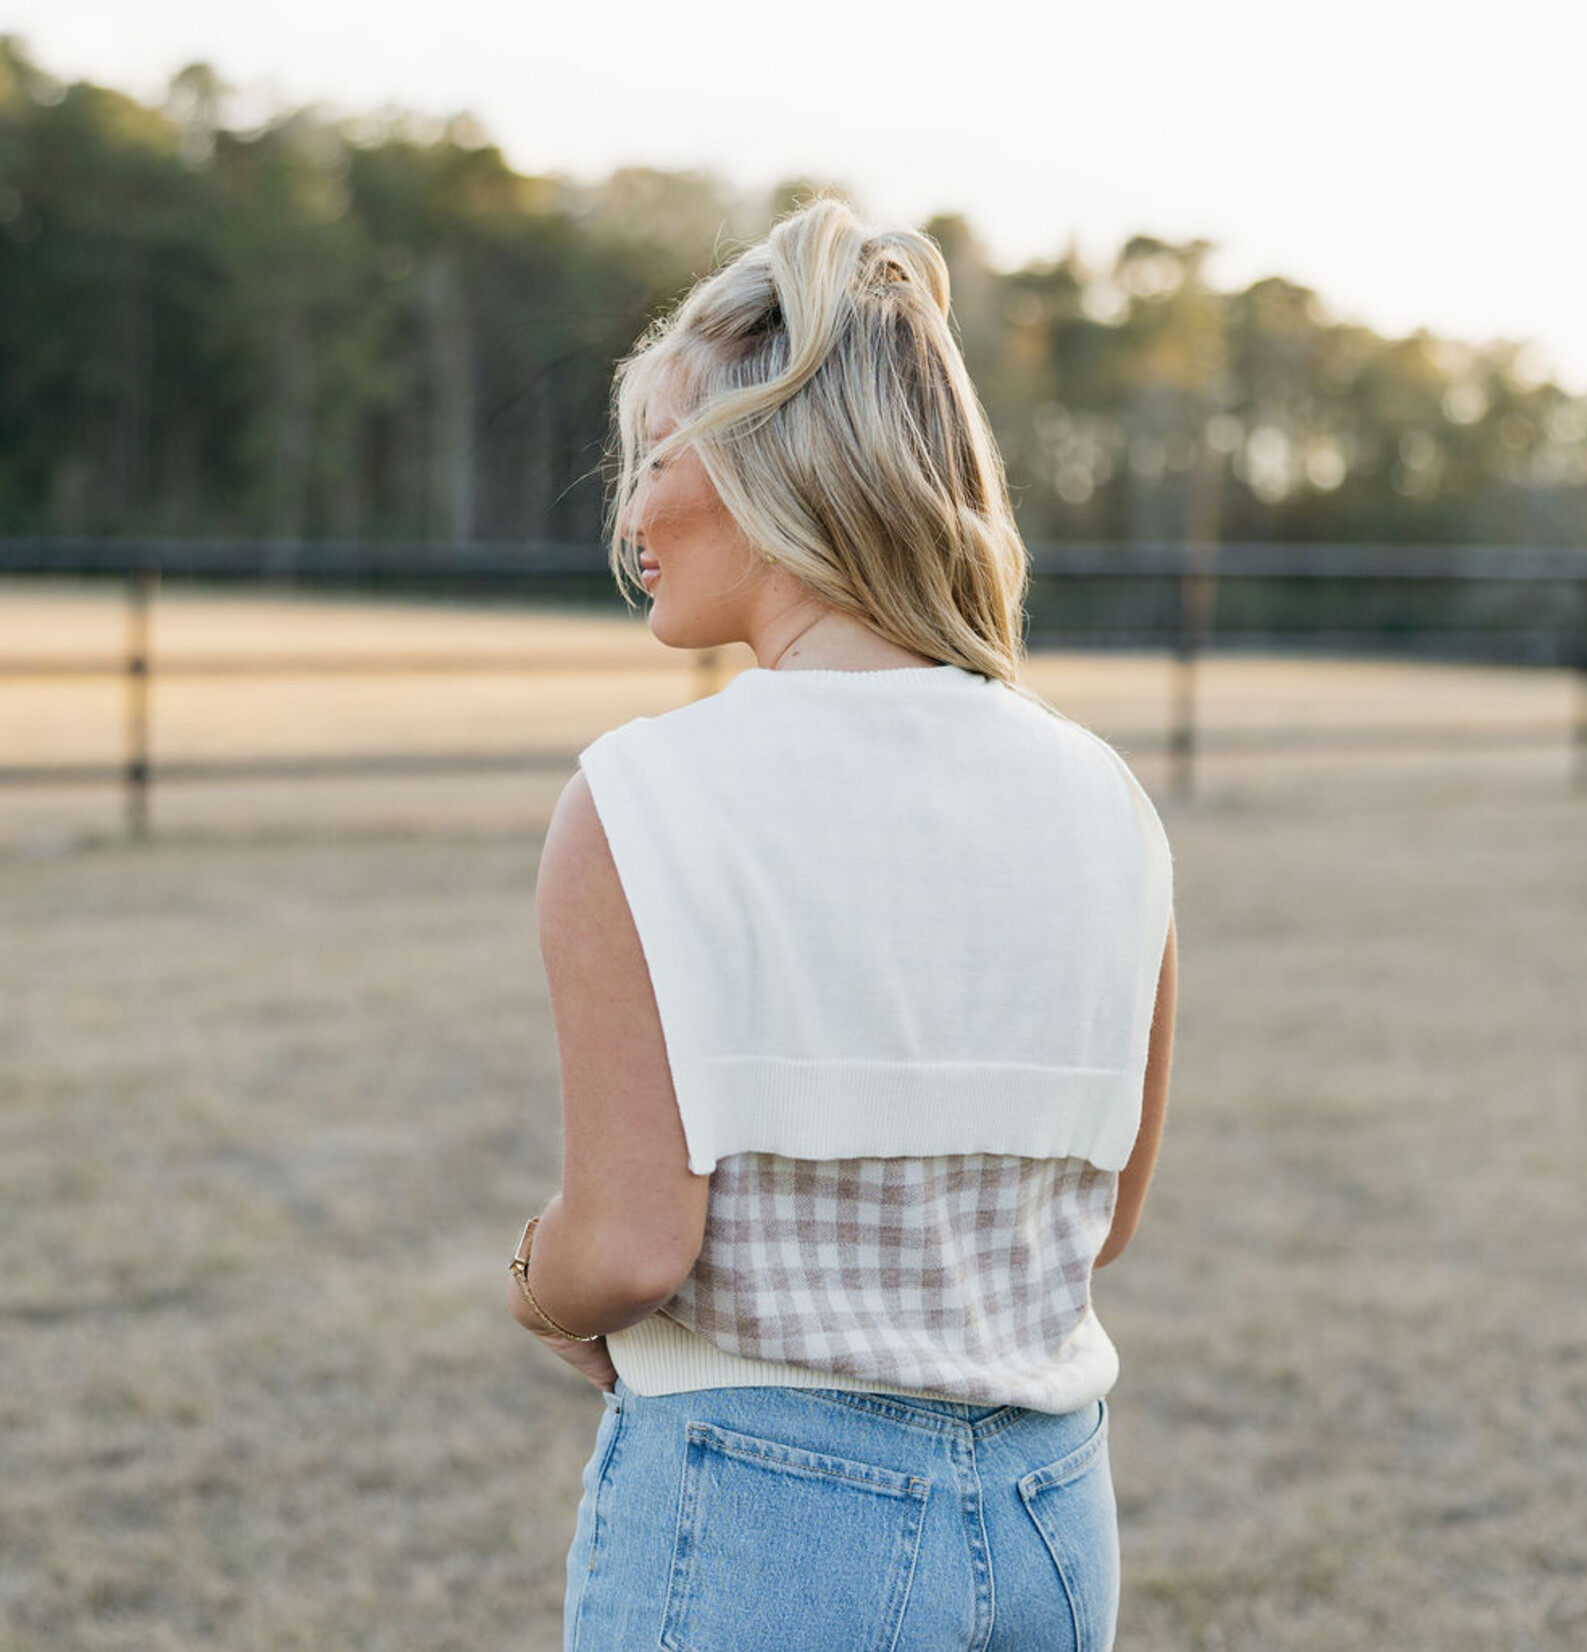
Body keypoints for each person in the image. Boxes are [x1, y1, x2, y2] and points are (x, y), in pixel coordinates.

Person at [506, 197, 1177, 1652]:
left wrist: (534, 1280)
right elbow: (1104, 1216)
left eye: (653, 458)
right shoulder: (1105, 796)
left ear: (763, 464)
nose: (628, 515)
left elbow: (625, 1252)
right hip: (1052, 1515)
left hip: (766, 1518)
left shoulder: (643, 799)